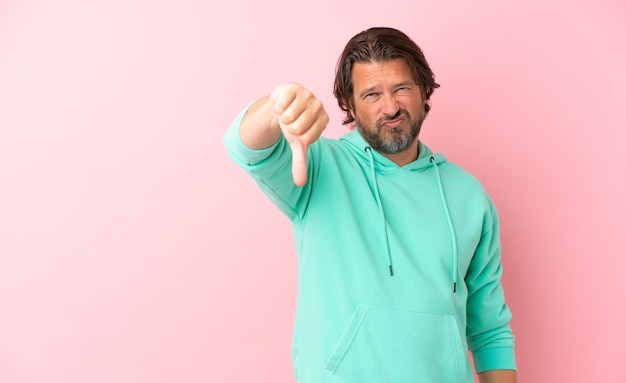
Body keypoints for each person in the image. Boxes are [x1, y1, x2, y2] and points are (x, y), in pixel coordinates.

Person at [224, 27, 517, 383]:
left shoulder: (469, 196)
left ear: (424, 89)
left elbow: (490, 331)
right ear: (348, 103)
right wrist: (275, 108)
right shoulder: (319, 167)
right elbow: (247, 149)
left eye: (401, 89)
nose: (390, 107)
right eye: (371, 94)